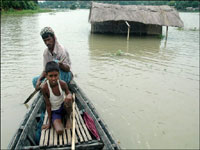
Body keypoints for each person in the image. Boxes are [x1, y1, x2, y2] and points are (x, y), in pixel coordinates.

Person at [41, 61, 73, 134]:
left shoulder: (62, 84)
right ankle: (59, 119)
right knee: (59, 131)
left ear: (59, 74)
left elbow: (69, 94)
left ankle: (68, 117)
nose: (53, 79)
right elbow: (48, 105)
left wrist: (69, 96)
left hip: (64, 107)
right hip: (55, 111)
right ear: (46, 76)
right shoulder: (44, 88)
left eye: (56, 75)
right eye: (51, 76)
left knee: (69, 98)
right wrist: (49, 123)